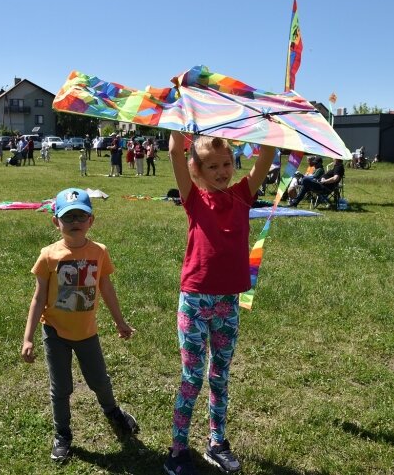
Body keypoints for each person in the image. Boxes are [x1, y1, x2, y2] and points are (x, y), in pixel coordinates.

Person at [164, 132, 275, 475]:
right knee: (192, 377)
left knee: (220, 376)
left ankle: (216, 442)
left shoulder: (243, 195)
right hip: (195, 301)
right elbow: (174, 152)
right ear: (196, 170)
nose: (222, 171)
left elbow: (267, 155)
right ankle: (179, 449)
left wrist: (268, 122)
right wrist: (181, 118)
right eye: (212, 166)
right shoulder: (193, 198)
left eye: (226, 163)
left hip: (228, 302)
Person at [21, 188, 138, 462]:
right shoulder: (48, 256)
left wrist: (120, 322)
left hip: (87, 333)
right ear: (56, 222)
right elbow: (38, 298)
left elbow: (107, 289)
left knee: (100, 380)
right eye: (68, 216)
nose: (75, 222)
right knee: (61, 387)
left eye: (81, 216)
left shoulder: (99, 252)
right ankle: (62, 434)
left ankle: (113, 413)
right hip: (55, 333)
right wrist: (28, 338)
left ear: (91, 221)